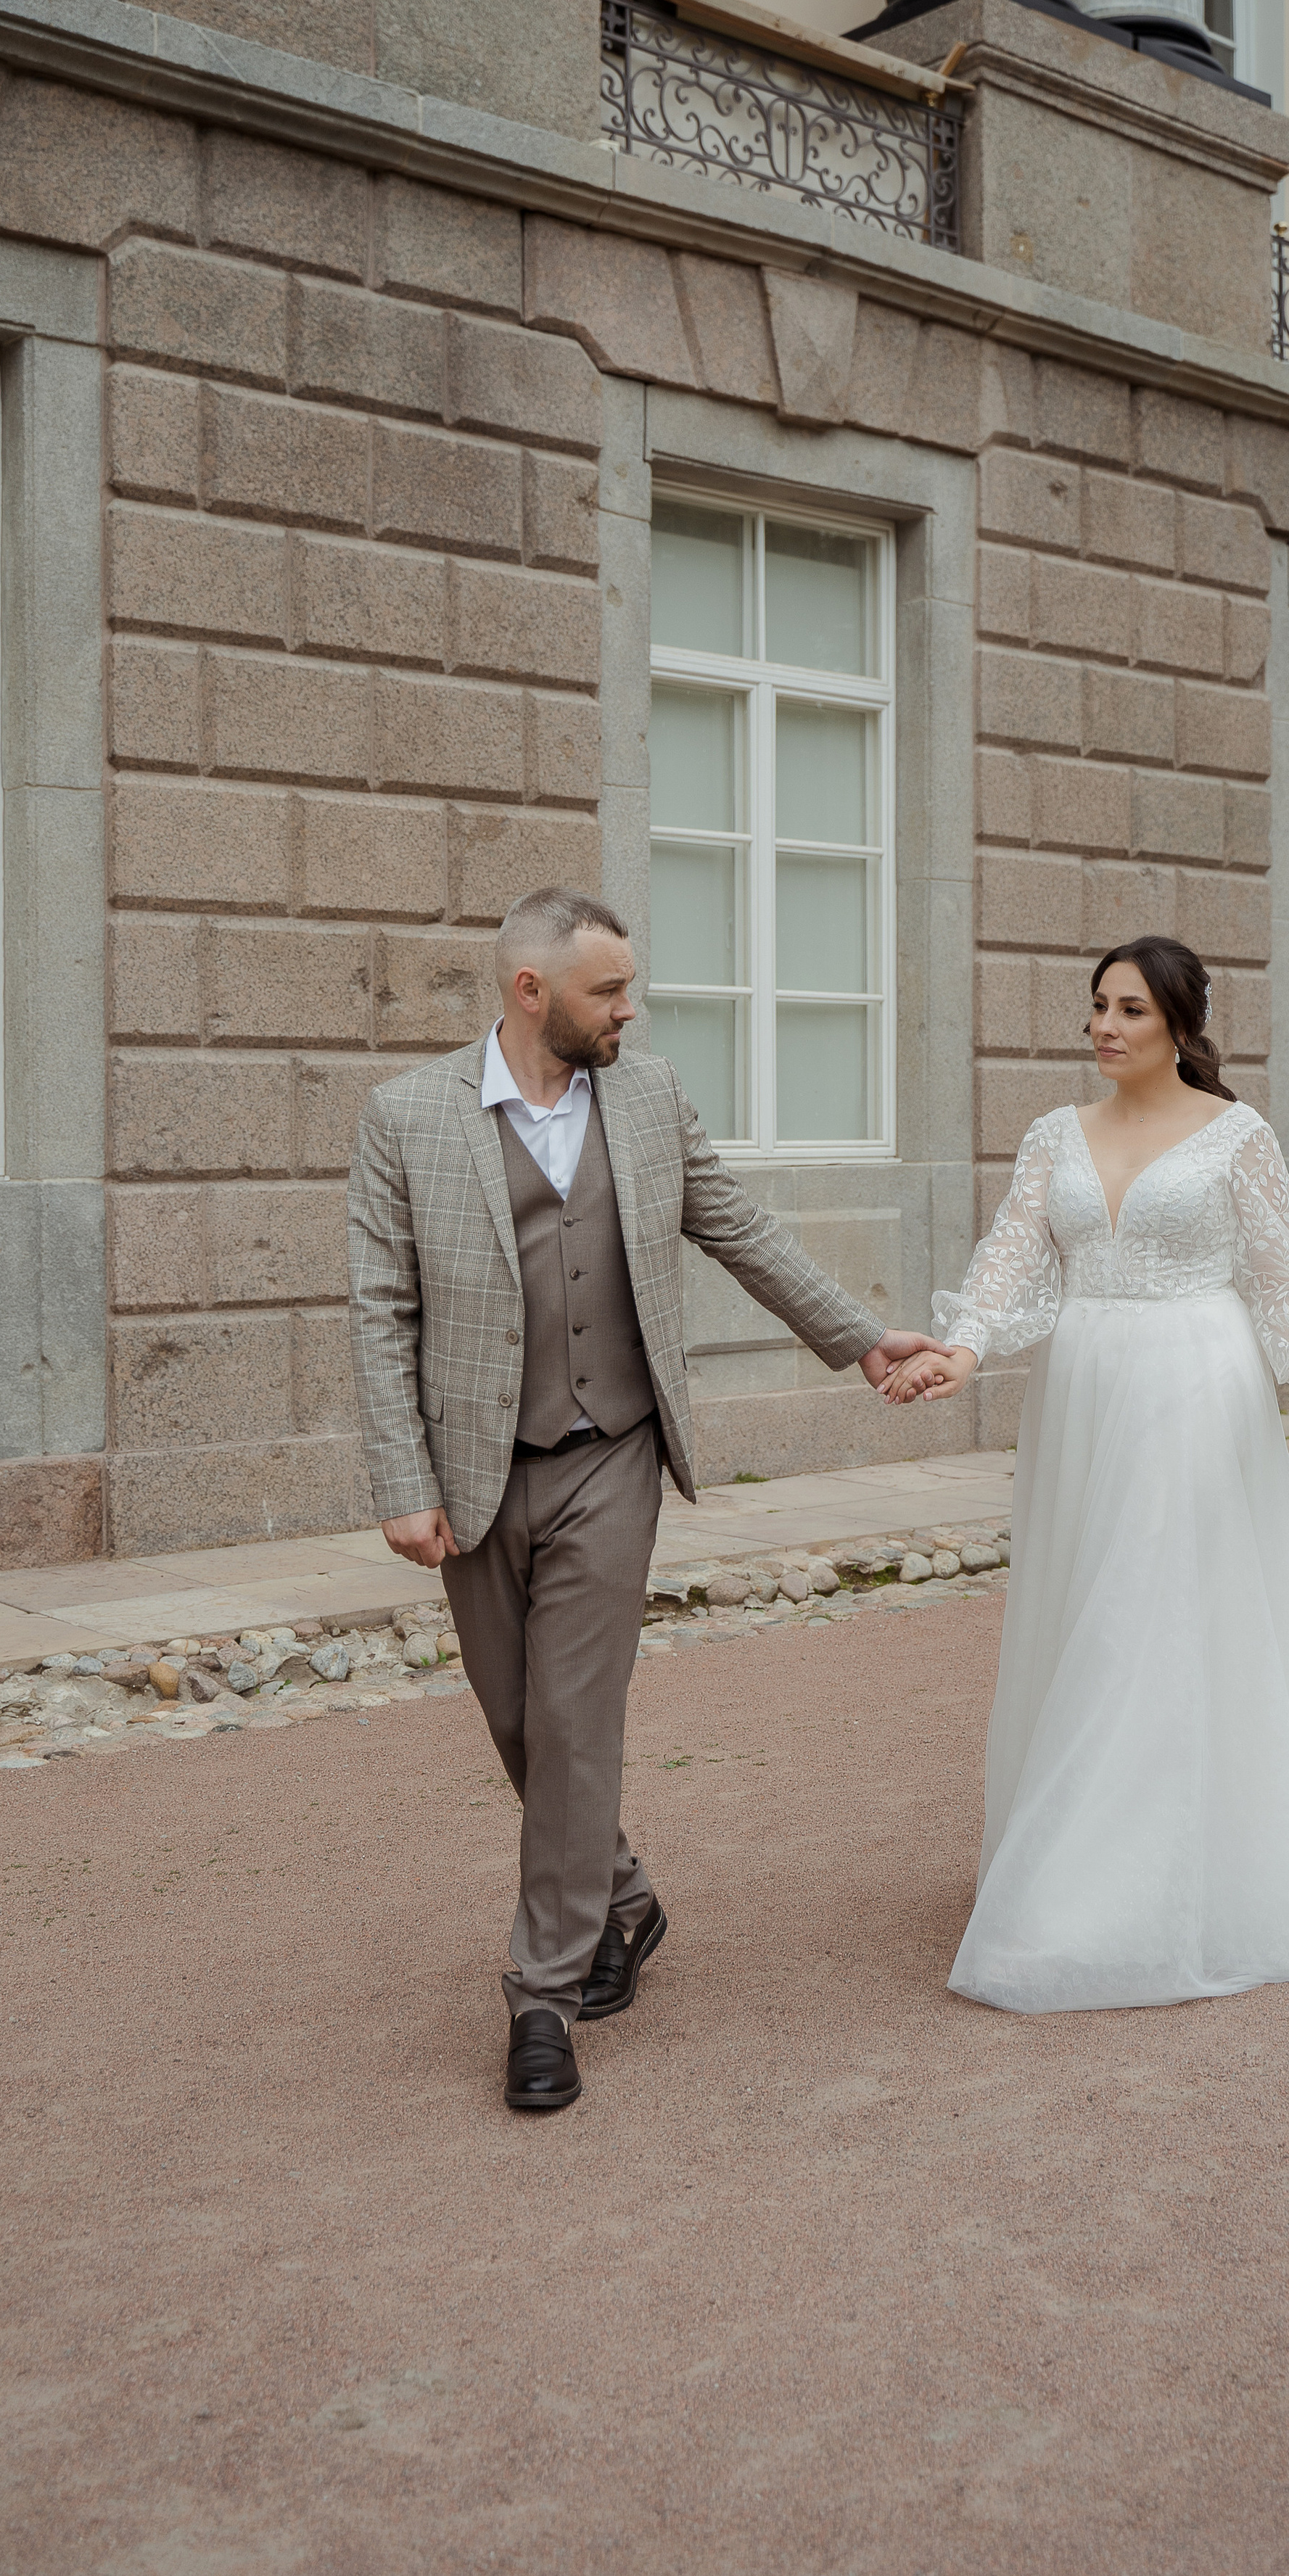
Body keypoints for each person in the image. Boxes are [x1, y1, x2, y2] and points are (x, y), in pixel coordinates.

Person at [347, 886, 933, 2112]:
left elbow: (740, 1229)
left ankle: (542, 1996)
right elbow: (380, 1310)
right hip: (475, 1467)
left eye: (628, 987)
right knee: (517, 1720)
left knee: (573, 1717)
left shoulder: (652, 1098)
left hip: (611, 1452)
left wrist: (859, 1338)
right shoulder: (406, 1118)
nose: (630, 1009)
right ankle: (622, 1894)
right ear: (530, 993)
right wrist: (402, 1482)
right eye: (608, 990)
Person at [883, 934, 1289, 2014]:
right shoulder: (1053, 1135)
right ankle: (1092, 1863)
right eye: (1098, 1007)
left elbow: (1285, 1282)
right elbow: (1013, 1264)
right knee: (1083, 1611)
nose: (1107, 1026)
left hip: (1196, 1389)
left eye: (1132, 1011)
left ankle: (1107, 1900)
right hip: (1081, 1397)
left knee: (1147, 1618)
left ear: (1181, 1027)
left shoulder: (1237, 1139)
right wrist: (958, 1352)